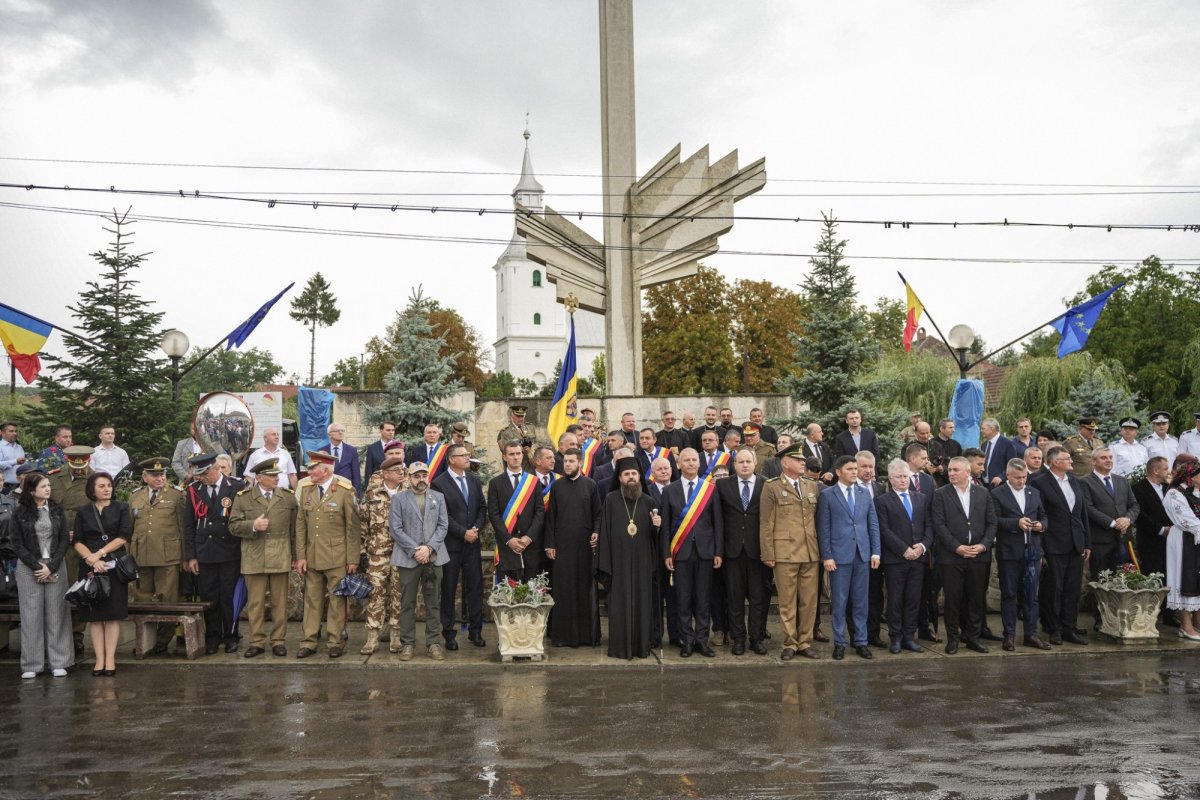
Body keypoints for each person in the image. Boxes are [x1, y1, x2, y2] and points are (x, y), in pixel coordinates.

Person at [294, 450, 361, 658]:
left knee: (336, 601)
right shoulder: (306, 490)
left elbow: (353, 528)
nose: (309, 472)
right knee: (312, 600)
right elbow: (301, 526)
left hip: (337, 557)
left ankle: (335, 640)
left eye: (313, 468)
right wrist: (301, 556)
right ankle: (309, 641)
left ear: (325, 470)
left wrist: (352, 559)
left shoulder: (344, 491)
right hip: (312, 556)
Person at [229, 459, 298, 658]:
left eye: (278, 475)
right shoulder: (243, 498)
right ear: (259, 478)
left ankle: (278, 641)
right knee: (255, 604)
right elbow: (232, 526)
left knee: (280, 603)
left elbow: (295, 531)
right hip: (254, 556)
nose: (277, 478)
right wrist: (252, 525)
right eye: (272, 475)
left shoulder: (288, 498)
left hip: (280, 554)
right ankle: (257, 641)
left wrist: (295, 556)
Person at [761, 443, 823, 660]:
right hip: (784, 552)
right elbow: (766, 523)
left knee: (809, 600)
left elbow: (816, 520)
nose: (803, 463)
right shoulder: (772, 487)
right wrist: (768, 553)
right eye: (798, 460)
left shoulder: (811, 486)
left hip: (810, 551)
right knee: (787, 601)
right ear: (785, 463)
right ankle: (790, 642)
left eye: (803, 461)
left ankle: (805, 642)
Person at [930, 456, 997, 654]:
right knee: (953, 599)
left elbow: (992, 523)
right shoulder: (941, 494)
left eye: (955, 470)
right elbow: (939, 524)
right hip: (952, 557)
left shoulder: (983, 493)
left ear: (967, 472)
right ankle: (953, 639)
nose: (950, 473)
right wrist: (956, 547)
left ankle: (973, 637)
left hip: (978, 556)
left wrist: (983, 546)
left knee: (976, 598)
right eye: (949, 470)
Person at [661, 448, 723, 658]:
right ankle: (687, 641)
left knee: (704, 600)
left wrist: (718, 551)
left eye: (694, 460)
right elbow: (666, 526)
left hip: (705, 552)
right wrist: (666, 554)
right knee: (683, 599)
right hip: (681, 553)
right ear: (678, 464)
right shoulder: (670, 490)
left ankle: (701, 641)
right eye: (686, 460)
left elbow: (717, 524)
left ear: (699, 463)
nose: (690, 463)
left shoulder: (710, 489)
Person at [817, 456, 880, 660]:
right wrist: (827, 555)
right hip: (839, 557)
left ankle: (861, 641)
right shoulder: (828, 495)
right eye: (850, 469)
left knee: (861, 601)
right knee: (840, 602)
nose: (855, 472)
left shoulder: (864, 494)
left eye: (856, 468)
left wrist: (875, 552)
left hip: (862, 555)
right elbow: (823, 528)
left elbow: (873, 525)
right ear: (838, 472)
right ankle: (840, 642)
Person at [596, 458, 660, 660]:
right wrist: (606, 563)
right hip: (618, 563)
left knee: (642, 604)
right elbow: (604, 533)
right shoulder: (611, 499)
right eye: (626, 474)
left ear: (640, 476)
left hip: (642, 563)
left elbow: (654, 538)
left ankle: (642, 647)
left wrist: (656, 526)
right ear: (620, 478)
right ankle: (619, 648)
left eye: (634, 474)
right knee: (619, 604)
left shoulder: (649, 502)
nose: (631, 477)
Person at [12, 472, 73, 678]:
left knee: (57, 613)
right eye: (43, 486)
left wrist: (51, 566)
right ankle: (32, 664)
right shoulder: (19, 512)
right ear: (31, 490)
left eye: (49, 485)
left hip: (55, 565)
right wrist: (37, 566)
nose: (48, 489)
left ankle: (59, 661)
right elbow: (17, 543)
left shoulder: (56, 510)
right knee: (31, 615)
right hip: (29, 567)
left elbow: (64, 539)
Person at [183, 452, 245, 655]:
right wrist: (191, 555)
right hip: (205, 551)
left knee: (228, 595)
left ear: (216, 468)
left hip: (229, 550)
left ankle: (231, 635)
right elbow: (189, 525)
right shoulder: (194, 490)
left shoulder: (235, 487)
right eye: (198, 474)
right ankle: (212, 636)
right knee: (209, 596)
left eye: (204, 473)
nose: (200, 478)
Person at [1030, 446, 1091, 646]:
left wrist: (1086, 543)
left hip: (1076, 544)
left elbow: (1082, 515)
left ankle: (1069, 627)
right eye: (1067, 458)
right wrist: (1040, 547)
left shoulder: (1075, 482)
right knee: (1053, 589)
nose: (1071, 461)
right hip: (1053, 544)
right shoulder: (1039, 482)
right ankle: (1053, 628)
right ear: (1055, 462)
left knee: (1072, 589)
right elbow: (1038, 514)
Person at [390, 461, 449, 661]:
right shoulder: (399, 499)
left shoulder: (438, 497)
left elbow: (443, 526)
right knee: (407, 603)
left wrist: (429, 548)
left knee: (433, 603)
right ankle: (408, 644)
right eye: (416, 476)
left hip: (434, 557)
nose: (420, 479)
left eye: (424, 475)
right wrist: (416, 550)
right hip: (408, 558)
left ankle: (433, 643)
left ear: (428, 477)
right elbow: (395, 529)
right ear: (409, 477)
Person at [73, 471, 131, 676]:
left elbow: (124, 536)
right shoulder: (83, 511)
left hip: (114, 566)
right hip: (90, 567)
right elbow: (77, 540)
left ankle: (111, 660)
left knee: (112, 615)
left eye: (109, 485)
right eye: (102, 486)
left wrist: (101, 554)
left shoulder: (122, 508)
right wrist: (91, 559)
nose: (107, 489)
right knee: (95, 617)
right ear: (92, 490)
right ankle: (99, 660)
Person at [127, 457, 186, 654]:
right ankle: (145, 641)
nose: (159, 478)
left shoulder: (177, 495)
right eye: (154, 475)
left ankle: (162, 642)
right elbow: (130, 527)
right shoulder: (135, 496)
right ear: (145, 477)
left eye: (162, 474)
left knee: (168, 600)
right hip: (141, 556)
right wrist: (129, 555)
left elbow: (183, 528)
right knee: (142, 600)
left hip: (167, 556)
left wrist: (185, 557)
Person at [544, 448, 602, 647]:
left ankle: (587, 636)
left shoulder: (591, 485)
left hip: (584, 547)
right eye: (565, 461)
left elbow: (598, 514)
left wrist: (596, 531)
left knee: (584, 589)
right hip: (562, 547)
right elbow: (550, 517)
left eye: (571, 461)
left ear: (580, 462)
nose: (566, 464)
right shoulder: (557, 486)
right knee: (563, 589)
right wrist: (550, 544)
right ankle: (562, 636)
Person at [991, 459, 1051, 650]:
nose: (1021, 481)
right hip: (1009, 552)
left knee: (1031, 596)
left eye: (1024, 477)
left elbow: (1044, 516)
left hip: (1033, 551)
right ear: (1007, 475)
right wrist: (1016, 523)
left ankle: (1031, 634)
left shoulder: (1034, 492)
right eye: (1017, 478)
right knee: (1009, 594)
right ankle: (1009, 635)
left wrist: (1042, 525)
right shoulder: (997, 494)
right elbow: (994, 521)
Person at [432, 444, 487, 651]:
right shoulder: (439, 484)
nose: (468, 458)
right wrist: (463, 532)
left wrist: (476, 529)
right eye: (463, 455)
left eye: (468, 455)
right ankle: (449, 633)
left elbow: (482, 507)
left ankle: (476, 630)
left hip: (472, 544)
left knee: (475, 587)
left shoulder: (474, 480)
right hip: (451, 545)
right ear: (451, 459)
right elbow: (442, 515)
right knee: (449, 589)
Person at [875, 459, 932, 654]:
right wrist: (904, 549)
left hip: (918, 558)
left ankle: (909, 637)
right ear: (890, 479)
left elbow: (929, 527)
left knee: (913, 599)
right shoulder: (882, 501)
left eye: (905, 476)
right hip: (895, 560)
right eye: (898, 477)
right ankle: (896, 638)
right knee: (895, 600)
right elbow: (884, 530)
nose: (903, 480)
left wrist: (922, 546)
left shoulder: (921, 498)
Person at [1080, 447, 1140, 630]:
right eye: (1103, 458)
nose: (1108, 460)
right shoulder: (1085, 483)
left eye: (1110, 457)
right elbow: (1088, 508)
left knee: (1124, 578)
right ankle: (1101, 619)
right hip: (1101, 540)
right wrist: (1112, 523)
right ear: (1094, 461)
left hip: (1123, 539)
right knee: (1101, 581)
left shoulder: (1122, 481)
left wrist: (1128, 519)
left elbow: (1134, 504)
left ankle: (1121, 617)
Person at [716, 448, 768, 655]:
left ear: (755, 463)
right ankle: (738, 638)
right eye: (740, 462)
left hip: (758, 552)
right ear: (734, 464)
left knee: (758, 598)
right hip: (732, 551)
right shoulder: (722, 485)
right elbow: (718, 520)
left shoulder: (766, 485)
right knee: (734, 598)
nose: (744, 465)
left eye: (748, 461)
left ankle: (757, 638)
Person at [358, 455, 407, 654]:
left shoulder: (408, 493)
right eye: (397, 471)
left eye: (402, 470)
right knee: (375, 594)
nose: (401, 473)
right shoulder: (372, 495)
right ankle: (372, 637)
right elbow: (362, 524)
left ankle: (396, 635)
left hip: (403, 553)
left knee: (398, 594)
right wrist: (361, 552)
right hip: (377, 554)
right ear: (386, 474)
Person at [49, 444, 95, 654]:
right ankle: (57, 634)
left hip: (82, 543)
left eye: (82, 465)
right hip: (55, 542)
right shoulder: (54, 478)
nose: (78, 470)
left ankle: (77, 634)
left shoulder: (95, 479)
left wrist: (79, 533)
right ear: (67, 461)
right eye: (74, 465)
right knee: (57, 589)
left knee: (79, 586)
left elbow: (99, 510)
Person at [487, 440, 545, 582]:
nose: (515, 457)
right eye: (511, 454)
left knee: (532, 593)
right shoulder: (495, 483)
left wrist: (528, 538)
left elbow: (539, 512)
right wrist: (509, 540)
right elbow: (494, 515)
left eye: (518, 453)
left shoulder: (533, 481)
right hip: (507, 547)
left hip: (530, 546)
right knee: (508, 594)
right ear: (505, 457)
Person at [1133, 456, 1174, 621]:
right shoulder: (1138, 488)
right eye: (1165, 468)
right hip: (1150, 540)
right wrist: (1160, 529)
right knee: (1152, 575)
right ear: (1155, 470)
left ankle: (1169, 613)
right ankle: (1150, 614)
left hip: (1170, 540)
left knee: (1169, 576)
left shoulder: (1168, 488)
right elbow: (1140, 515)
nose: (1168, 471)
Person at [1162, 460, 1200, 639]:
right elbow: (1187, 520)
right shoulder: (1175, 494)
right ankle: (1186, 625)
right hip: (1184, 540)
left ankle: (1197, 623)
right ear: (1191, 477)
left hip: (1197, 540)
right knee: (1185, 580)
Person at [318, 423, 361, 495]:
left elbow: (356, 475)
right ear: (329, 434)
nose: (340, 432)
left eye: (342, 430)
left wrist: (356, 494)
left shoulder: (352, 450)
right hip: (327, 491)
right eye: (337, 431)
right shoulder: (321, 451)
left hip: (346, 490)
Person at [980, 418, 1015, 488]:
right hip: (983, 485)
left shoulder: (1007, 444)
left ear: (992, 428)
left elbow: (1012, 465)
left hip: (1000, 485)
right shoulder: (984, 445)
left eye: (983, 428)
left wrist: (1001, 477)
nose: (981, 431)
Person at [927, 419, 961, 487]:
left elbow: (960, 462)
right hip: (935, 480)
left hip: (952, 480)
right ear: (942, 429)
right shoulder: (931, 444)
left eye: (953, 427)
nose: (953, 430)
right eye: (950, 428)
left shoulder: (956, 445)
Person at [0, 421, 27, 493]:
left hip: (20, 487)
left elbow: (24, 466)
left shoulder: (19, 447)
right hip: (5, 488)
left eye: (16, 431)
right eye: (11, 431)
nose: (15, 433)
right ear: (2, 433)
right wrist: (15, 461)